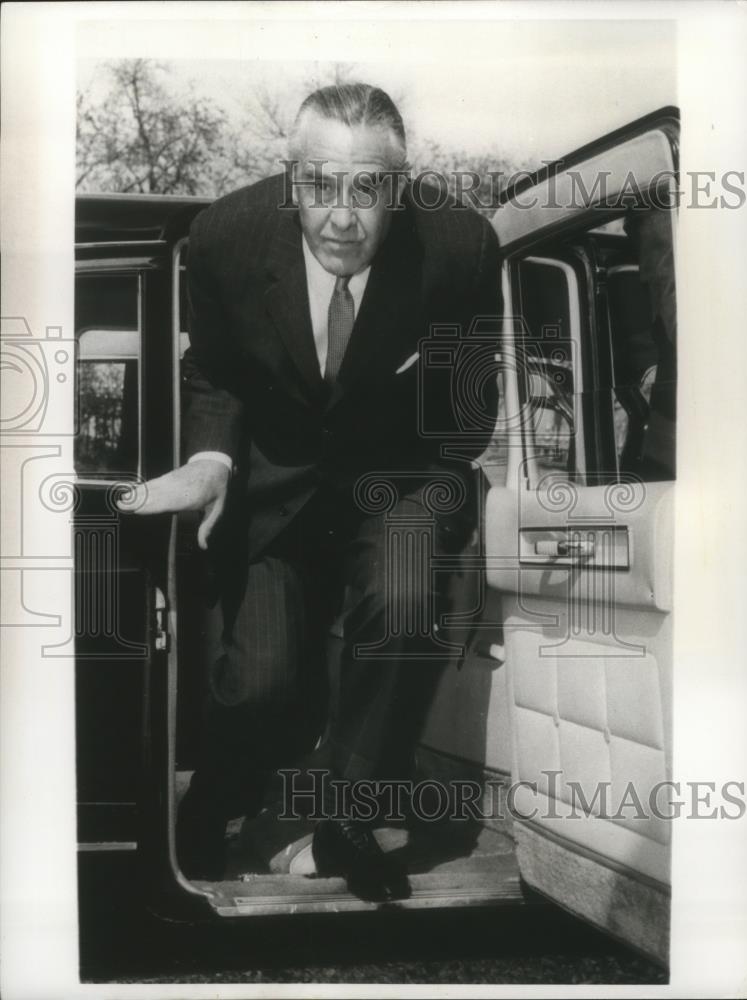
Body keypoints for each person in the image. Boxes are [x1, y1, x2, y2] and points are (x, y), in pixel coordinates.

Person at [120, 83, 502, 902]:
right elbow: (215, 371)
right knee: (263, 685)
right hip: (276, 481)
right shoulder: (224, 238)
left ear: (396, 189)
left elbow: (466, 427)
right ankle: (218, 798)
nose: (341, 216)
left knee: (402, 598)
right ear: (291, 179)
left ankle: (346, 820)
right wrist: (212, 463)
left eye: (367, 190)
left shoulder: (462, 248)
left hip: (397, 477)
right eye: (319, 186)